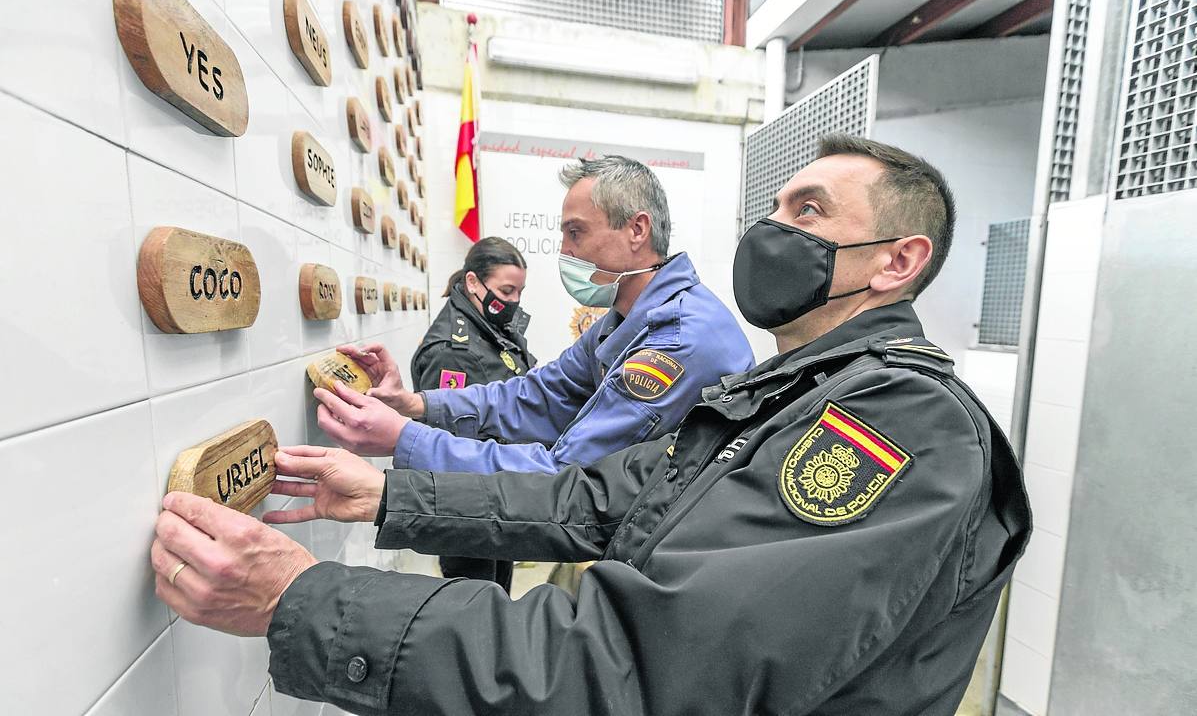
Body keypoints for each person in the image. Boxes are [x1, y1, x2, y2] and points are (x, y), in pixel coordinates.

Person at [151, 134, 1031, 715]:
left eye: (806, 212)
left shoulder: (897, 422)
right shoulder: (791, 384)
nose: (769, 231)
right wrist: (394, 478)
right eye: (771, 209)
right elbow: (595, 489)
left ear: (896, 262)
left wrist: (306, 600)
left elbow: (653, 664)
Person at [312, 155, 755, 475]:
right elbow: (536, 394)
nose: (565, 252)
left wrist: (403, 438)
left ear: (636, 230)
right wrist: (416, 406)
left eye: (576, 233)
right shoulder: (621, 320)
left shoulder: (677, 342)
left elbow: (567, 475)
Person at [408, 236, 537, 591]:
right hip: (469, 511)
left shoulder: (490, 328)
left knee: (496, 597)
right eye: (506, 291)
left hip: (496, 495)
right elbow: (443, 446)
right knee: (476, 606)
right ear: (472, 283)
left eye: (519, 293)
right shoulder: (454, 352)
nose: (513, 302)